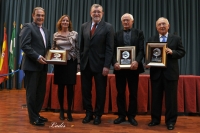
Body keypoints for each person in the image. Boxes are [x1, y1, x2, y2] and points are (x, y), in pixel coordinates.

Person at [147, 17, 185, 130]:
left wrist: (172, 52)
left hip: (171, 74)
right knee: (155, 98)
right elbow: (148, 54)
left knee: (171, 100)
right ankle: (155, 120)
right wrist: (148, 61)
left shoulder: (176, 38)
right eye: (159, 24)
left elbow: (182, 52)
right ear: (156, 27)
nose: (162, 26)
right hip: (156, 74)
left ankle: (170, 121)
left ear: (168, 26)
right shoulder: (152, 38)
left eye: (164, 24)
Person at [80, 4, 114, 125]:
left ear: (102, 13)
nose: (96, 14)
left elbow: (110, 48)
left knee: (100, 91)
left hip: (100, 66)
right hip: (85, 65)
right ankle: (88, 113)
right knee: (86, 91)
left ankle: (98, 114)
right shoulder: (84, 26)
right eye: (94, 12)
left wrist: (107, 66)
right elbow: (82, 47)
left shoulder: (108, 27)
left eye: (98, 12)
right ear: (90, 13)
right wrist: (80, 62)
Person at [20, 7, 51, 126]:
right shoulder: (28, 27)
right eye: (38, 15)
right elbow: (25, 45)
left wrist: (52, 55)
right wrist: (38, 57)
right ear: (33, 15)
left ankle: (36, 114)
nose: (40, 18)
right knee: (32, 93)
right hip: (32, 66)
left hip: (43, 67)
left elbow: (47, 48)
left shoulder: (46, 30)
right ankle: (33, 118)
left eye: (42, 15)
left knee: (40, 92)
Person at [112, 13, 144, 126]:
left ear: (132, 21)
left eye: (128, 20)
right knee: (120, 92)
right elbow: (112, 51)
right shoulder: (116, 34)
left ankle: (131, 116)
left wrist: (137, 61)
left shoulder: (139, 33)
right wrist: (115, 62)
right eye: (124, 20)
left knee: (133, 93)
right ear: (121, 22)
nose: (126, 22)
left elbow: (141, 50)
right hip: (120, 69)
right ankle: (121, 115)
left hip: (133, 68)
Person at [52, 15, 79, 121]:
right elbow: (54, 48)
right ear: (60, 22)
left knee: (70, 88)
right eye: (63, 20)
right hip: (59, 64)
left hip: (71, 63)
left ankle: (69, 111)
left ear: (69, 23)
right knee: (61, 87)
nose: (65, 22)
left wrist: (78, 65)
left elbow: (77, 49)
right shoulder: (55, 35)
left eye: (67, 20)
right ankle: (62, 110)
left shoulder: (74, 34)